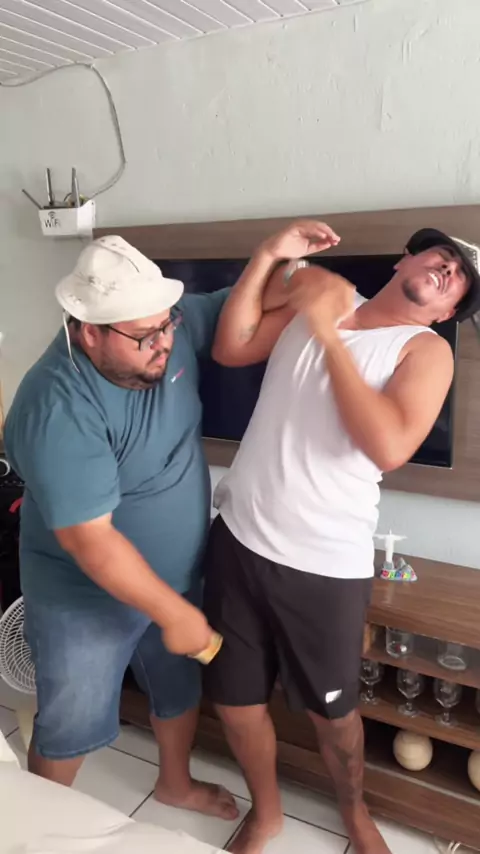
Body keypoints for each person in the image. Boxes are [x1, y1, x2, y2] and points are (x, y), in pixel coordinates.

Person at [203, 220, 480, 854]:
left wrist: (328, 330)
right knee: (237, 700)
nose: (447, 272)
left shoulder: (424, 350)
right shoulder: (326, 296)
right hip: (238, 537)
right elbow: (232, 346)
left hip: (324, 566)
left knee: (333, 713)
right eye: (442, 257)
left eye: (459, 281)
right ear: (405, 260)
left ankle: (354, 813)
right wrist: (268, 256)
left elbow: (387, 445)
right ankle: (266, 813)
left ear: (446, 313)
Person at [3, 236, 290, 815]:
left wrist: (273, 260)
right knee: (70, 721)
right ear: (89, 332)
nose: (165, 343)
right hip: (82, 596)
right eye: (144, 336)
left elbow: (245, 304)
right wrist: (176, 615)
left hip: (178, 572)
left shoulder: (164, 326)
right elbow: (91, 541)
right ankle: (39, 824)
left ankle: (175, 784)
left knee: (176, 688)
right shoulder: (55, 407)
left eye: (167, 325)